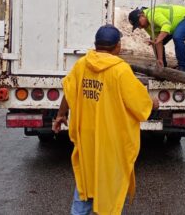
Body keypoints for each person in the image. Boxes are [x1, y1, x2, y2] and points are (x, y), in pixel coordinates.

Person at [52, 24, 159, 215]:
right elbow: (139, 105)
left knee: (86, 180)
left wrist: (61, 115)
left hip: (87, 138)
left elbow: (69, 91)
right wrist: (154, 103)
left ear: (95, 45)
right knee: (109, 183)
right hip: (110, 140)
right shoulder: (121, 71)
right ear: (118, 46)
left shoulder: (82, 64)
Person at [128, 4, 185, 72]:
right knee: (153, 40)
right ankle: (162, 66)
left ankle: (183, 67)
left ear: (142, 15)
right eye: (137, 26)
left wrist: (157, 40)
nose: (140, 27)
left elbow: (166, 25)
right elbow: (158, 41)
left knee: (177, 37)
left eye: (139, 24)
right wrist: (160, 59)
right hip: (173, 26)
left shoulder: (152, 14)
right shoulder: (146, 26)